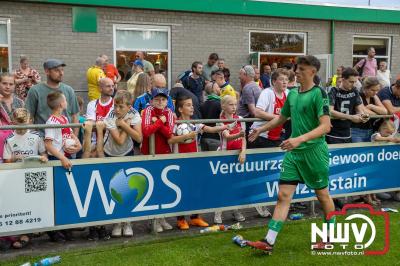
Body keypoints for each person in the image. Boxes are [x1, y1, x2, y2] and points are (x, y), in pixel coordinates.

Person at [246, 55, 335, 253]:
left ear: (313, 71)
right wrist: (261, 129)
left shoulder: (319, 93)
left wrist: (299, 139)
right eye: (297, 68)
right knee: (283, 195)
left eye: (302, 69)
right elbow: (281, 118)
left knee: (322, 195)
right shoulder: (292, 94)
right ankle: (269, 241)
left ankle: (329, 237)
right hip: (294, 154)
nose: (297, 72)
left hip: (314, 152)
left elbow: (325, 126)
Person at [169, 95, 226, 230]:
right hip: (180, 161)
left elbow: (210, 129)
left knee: (196, 188)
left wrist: (225, 127)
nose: (192, 107)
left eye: (192, 105)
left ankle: (195, 217)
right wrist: (185, 137)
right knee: (182, 190)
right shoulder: (176, 123)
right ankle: (181, 219)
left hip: (194, 160)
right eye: (188, 105)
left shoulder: (195, 122)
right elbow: (170, 140)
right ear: (181, 109)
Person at [104, 90, 142, 238]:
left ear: (129, 106)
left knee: (127, 188)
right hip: (110, 153)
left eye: (121, 107)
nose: (117, 110)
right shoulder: (110, 115)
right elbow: (119, 140)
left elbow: (139, 138)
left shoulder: (135, 114)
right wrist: (126, 124)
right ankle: (116, 222)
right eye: (115, 106)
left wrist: (124, 125)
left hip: (127, 153)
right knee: (114, 189)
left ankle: (127, 222)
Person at [141, 87, 174, 232]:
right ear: (151, 100)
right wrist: (161, 122)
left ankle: (162, 218)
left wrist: (158, 123)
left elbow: (169, 133)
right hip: (149, 154)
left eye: (163, 99)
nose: (160, 102)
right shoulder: (148, 111)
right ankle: (152, 220)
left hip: (165, 154)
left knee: (163, 187)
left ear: (167, 101)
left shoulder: (170, 113)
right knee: (150, 187)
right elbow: (146, 132)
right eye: (157, 99)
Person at [26, 59, 80, 136]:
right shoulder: (35, 90)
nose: (61, 73)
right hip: (43, 138)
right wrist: (34, 138)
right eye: (57, 70)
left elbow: (75, 115)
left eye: (62, 70)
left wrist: (75, 138)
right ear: (47, 71)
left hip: (66, 139)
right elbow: (29, 116)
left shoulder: (69, 90)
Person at [214, 95, 246, 224]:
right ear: (223, 106)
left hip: (238, 157)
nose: (234, 107)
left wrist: (243, 151)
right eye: (231, 105)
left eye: (235, 104)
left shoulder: (240, 119)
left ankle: (236, 210)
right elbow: (227, 137)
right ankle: (218, 212)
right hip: (224, 156)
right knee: (223, 186)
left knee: (236, 185)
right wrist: (238, 134)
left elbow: (243, 139)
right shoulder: (220, 121)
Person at [326, 67, 369, 144]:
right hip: (333, 132)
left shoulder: (355, 90)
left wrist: (363, 116)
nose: (353, 84)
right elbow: (330, 111)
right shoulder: (333, 91)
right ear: (343, 79)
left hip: (347, 132)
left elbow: (360, 109)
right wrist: (351, 117)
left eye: (355, 82)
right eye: (351, 82)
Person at [250, 68, 289, 149]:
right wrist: (279, 118)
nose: (285, 82)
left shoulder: (288, 93)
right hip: (260, 136)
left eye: (286, 79)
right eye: (281, 79)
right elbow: (257, 112)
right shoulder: (267, 93)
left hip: (277, 136)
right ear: (274, 81)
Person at [44, 91, 82, 169]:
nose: (67, 102)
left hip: (67, 156)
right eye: (65, 100)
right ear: (61, 104)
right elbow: (48, 145)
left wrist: (79, 145)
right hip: (57, 158)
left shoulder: (64, 118)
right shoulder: (51, 122)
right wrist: (62, 158)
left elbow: (71, 134)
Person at [82, 77, 115, 158]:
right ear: (100, 88)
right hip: (95, 143)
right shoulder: (92, 104)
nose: (111, 88)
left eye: (112, 86)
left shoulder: (116, 104)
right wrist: (104, 125)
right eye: (108, 86)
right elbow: (91, 127)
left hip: (112, 144)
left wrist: (99, 125)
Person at [351, 77, 387, 143]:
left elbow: (385, 111)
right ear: (365, 88)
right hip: (357, 131)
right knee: (358, 152)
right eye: (373, 90)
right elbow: (364, 111)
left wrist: (371, 106)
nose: (375, 92)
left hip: (370, 131)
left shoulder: (374, 97)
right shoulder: (358, 95)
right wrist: (378, 114)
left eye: (377, 90)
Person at [238, 65, 261, 134]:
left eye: (240, 74)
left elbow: (253, 112)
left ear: (246, 75)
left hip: (247, 123)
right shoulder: (256, 86)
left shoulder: (247, 88)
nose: (239, 77)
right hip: (251, 122)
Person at [200, 82, 222, 151]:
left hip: (203, 137)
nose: (220, 88)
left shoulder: (202, 105)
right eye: (218, 87)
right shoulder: (220, 104)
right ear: (214, 89)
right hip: (215, 138)